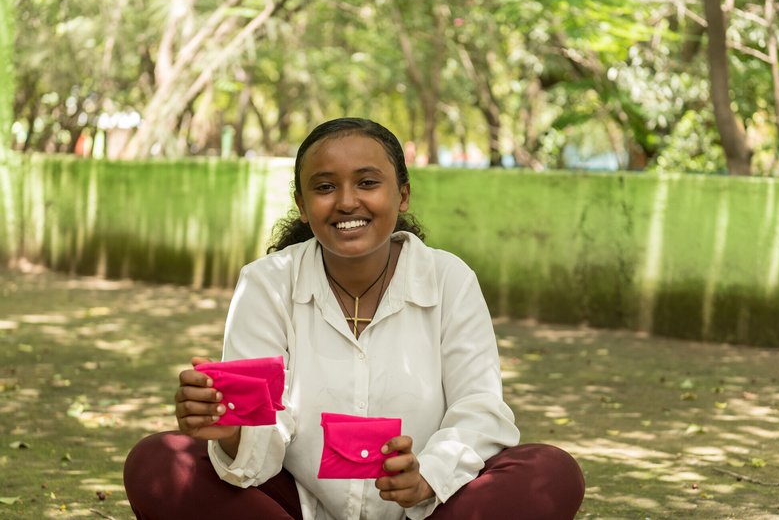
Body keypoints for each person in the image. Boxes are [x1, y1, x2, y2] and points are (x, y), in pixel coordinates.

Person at [123, 118, 585, 519]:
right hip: (292, 505)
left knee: (550, 472)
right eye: (324, 187)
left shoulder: (449, 279)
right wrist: (230, 434)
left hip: (428, 507)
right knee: (159, 463)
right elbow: (257, 437)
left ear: (402, 194)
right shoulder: (267, 283)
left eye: (367, 182)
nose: (346, 202)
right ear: (303, 206)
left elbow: (480, 412)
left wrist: (427, 477)